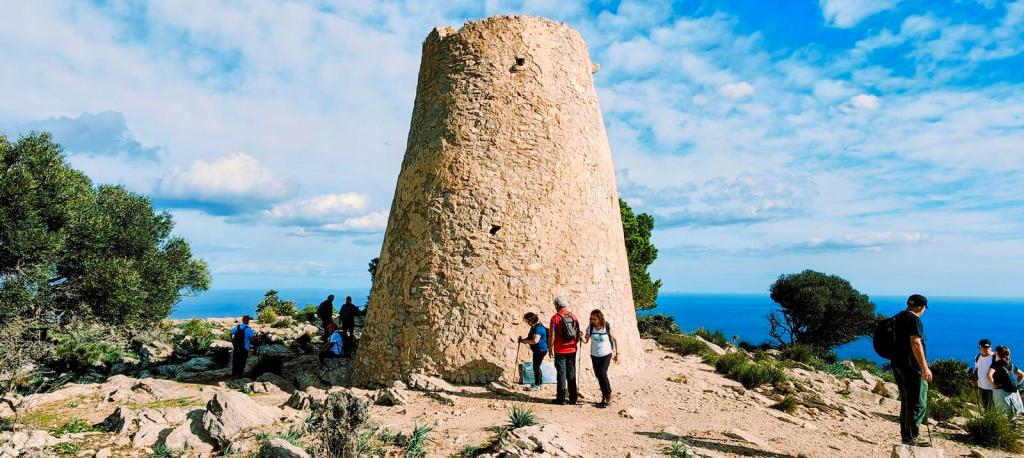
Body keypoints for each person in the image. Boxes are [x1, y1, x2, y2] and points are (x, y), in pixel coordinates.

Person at [892, 294, 932, 446]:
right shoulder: (914, 320)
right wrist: (925, 368)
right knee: (918, 402)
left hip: (897, 364)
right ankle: (912, 437)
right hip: (912, 367)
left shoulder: (897, 318)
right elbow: (916, 343)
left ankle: (906, 436)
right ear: (922, 307)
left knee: (906, 401)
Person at [582, 309, 618, 407]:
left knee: (602, 374)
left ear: (599, 318)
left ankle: (608, 394)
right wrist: (581, 337)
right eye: (591, 319)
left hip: (606, 354)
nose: (593, 321)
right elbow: (586, 340)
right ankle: (603, 395)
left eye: (595, 319)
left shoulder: (606, 326)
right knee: (598, 376)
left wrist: (617, 353)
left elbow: (615, 339)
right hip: (594, 355)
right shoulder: (590, 327)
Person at [548, 297, 581, 405]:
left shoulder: (555, 318)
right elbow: (577, 332)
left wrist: (550, 348)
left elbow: (552, 335)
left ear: (556, 306)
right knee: (571, 373)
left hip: (560, 350)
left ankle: (561, 398)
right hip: (572, 349)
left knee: (561, 373)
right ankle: (573, 398)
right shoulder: (573, 316)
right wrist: (574, 344)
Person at [988, 345, 1024, 416]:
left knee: (1003, 414)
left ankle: (1003, 427)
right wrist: (1016, 383)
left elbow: (989, 376)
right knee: (1014, 414)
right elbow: (1022, 375)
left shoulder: (996, 364)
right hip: (1013, 392)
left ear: (997, 354)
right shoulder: (1011, 365)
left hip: (1000, 392)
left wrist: (994, 385)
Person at [518, 312, 549, 391]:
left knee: (536, 367)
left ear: (531, 320)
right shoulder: (535, 326)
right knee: (536, 366)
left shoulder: (538, 328)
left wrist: (526, 341)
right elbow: (530, 338)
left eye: (527, 321)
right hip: (539, 350)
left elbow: (535, 340)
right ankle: (539, 383)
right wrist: (523, 340)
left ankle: (537, 385)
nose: (527, 322)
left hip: (540, 350)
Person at [973, 339, 995, 410]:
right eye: (984, 347)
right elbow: (977, 369)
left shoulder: (995, 357)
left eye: (988, 347)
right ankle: (987, 419)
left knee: (993, 407)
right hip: (982, 386)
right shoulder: (977, 357)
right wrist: (974, 379)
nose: (986, 349)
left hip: (993, 387)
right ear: (979, 347)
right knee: (986, 406)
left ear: (991, 347)